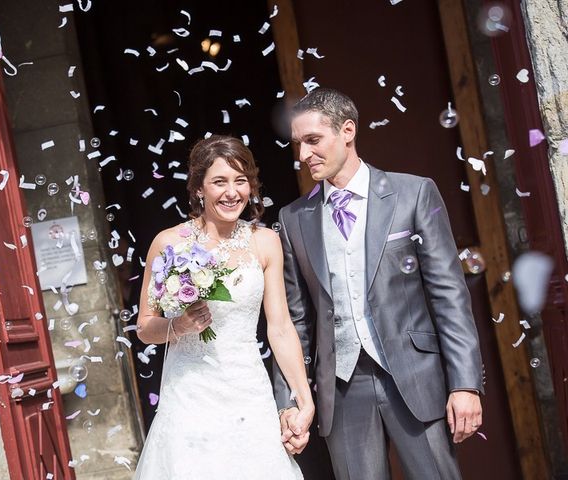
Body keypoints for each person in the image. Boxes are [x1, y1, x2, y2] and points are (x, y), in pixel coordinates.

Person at [273, 88, 484, 479]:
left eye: (313, 140)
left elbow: (449, 296)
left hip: (416, 378)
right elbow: (296, 321)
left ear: (347, 131)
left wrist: (465, 384)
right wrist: (289, 398)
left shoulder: (413, 193)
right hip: (341, 390)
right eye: (298, 144)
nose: (303, 155)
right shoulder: (293, 219)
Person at [133, 135, 314, 479]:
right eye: (219, 181)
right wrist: (179, 326)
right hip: (190, 392)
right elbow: (145, 327)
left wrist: (302, 398)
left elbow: (279, 327)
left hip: (248, 389)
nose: (232, 192)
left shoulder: (265, 242)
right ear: (199, 188)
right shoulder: (169, 243)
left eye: (240, 181)